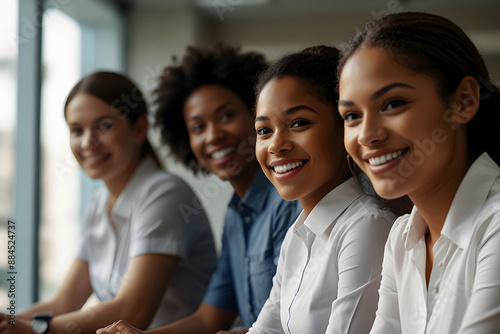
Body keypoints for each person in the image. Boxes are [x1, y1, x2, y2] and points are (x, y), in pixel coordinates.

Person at [97, 45, 301, 334]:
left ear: (258, 117)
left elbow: (291, 323)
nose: (213, 135)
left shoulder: (290, 201)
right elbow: (207, 320)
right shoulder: (234, 217)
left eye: (226, 116)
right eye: (197, 127)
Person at [0, 72, 217, 334]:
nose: (88, 142)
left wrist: (35, 329)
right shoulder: (98, 204)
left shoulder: (166, 195)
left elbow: (133, 310)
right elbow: (66, 302)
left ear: (139, 129)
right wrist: (9, 322)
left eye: (104, 126)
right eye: (77, 130)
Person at [337, 12, 500, 333]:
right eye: (352, 115)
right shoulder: (401, 238)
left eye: (393, 104)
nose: (367, 134)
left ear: (464, 102)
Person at [246, 45, 395, 334]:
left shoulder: (367, 226)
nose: (276, 145)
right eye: (264, 131)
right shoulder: (298, 232)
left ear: (344, 129)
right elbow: (267, 329)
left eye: (298, 123)